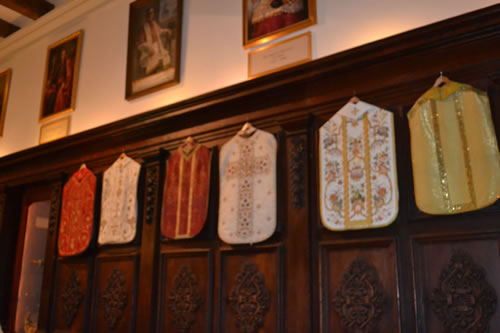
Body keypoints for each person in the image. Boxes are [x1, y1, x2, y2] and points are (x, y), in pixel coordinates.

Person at [138, 7, 172, 76]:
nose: (151, 14)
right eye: (149, 13)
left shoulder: (154, 23)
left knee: (163, 60)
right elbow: (141, 42)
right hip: (150, 49)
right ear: (147, 15)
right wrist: (149, 49)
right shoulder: (144, 27)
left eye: (152, 13)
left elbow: (160, 30)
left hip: (158, 46)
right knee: (152, 67)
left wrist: (167, 30)